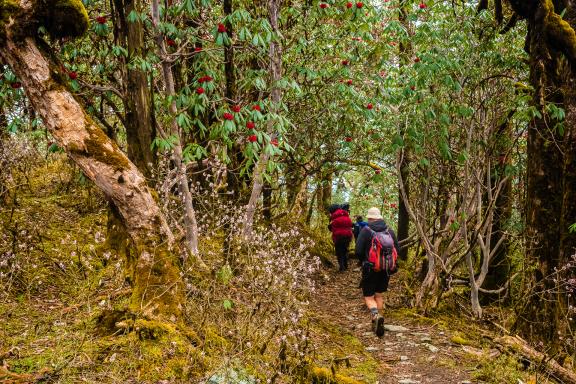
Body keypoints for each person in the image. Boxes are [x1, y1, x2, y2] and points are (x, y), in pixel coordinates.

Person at [355, 207, 399, 337]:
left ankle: (375, 315)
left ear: (369, 218)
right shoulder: (389, 230)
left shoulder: (366, 230)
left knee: (369, 297)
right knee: (379, 295)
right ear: (380, 217)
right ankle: (380, 321)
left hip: (370, 268)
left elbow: (358, 251)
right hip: (386, 269)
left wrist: (364, 261)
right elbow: (397, 249)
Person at [328, 205, 353, 272]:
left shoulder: (334, 219)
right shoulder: (347, 217)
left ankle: (342, 268)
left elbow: (331, 229)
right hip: (348, 237)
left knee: (339, 252)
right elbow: (350, 225)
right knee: (345, 251)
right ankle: (346, 265)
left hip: (338, 237)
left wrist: (330, 226)